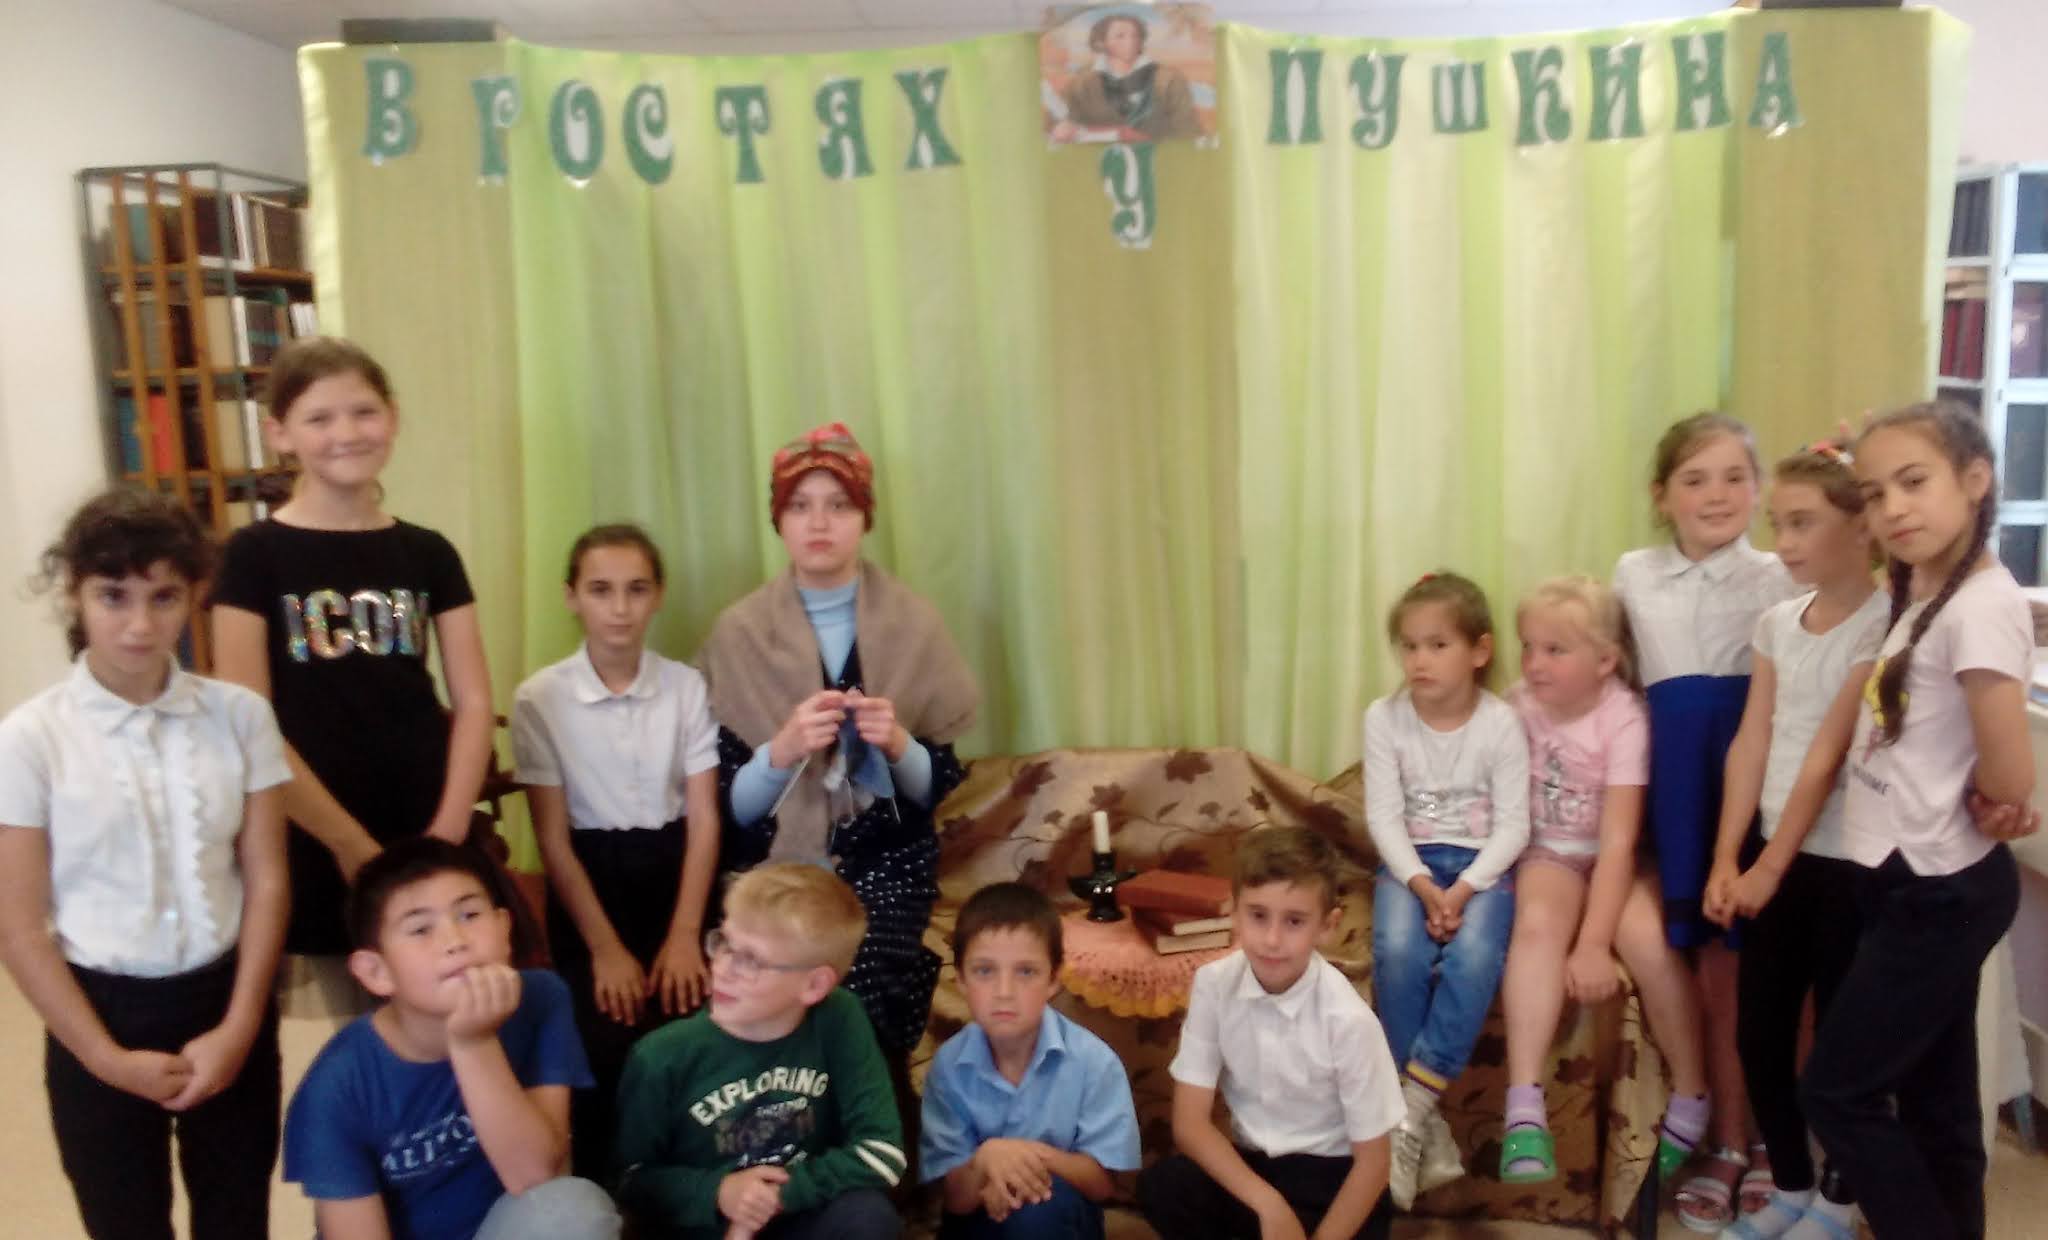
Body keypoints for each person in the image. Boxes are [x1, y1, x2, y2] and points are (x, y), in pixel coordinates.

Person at [0, 488, 291, 1240]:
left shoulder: (241, 717)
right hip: (97, 1010)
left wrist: (240, 1025)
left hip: (227, 996)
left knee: (237, 1219)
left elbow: (267, 880)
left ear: (194, 595)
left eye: (163, 597)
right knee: (123, 1222)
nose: (139, 624)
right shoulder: (30, 738)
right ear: (74, 593)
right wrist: (104, 1058)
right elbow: (20, 927)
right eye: (113, 596)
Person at [1799, 403, 2039, 1240]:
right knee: (1937, 1100)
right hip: (1909, 875)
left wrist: (1994, 795)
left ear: (1974, 481)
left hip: (1940, 888)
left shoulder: (1979, 606)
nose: (1893, 508)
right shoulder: (1930, 588)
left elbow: (2012, 768)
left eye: (1913, 482)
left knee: (1838, 1091)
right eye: (1874, 493)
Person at [211, 336, 494, 1019]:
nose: (346, 433)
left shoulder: (428, 552)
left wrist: (448, 827)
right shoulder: (252, 557)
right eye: (320, 418)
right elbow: (248, 722)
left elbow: (474, 699)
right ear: (280, 433)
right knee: (365, 1030)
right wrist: (347, 843)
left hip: (426, 820)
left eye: (363, 412)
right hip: (315, 828)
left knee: (448, 1014)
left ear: (392, 417)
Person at [699, 422, 978, 1088]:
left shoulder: (914, 624)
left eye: (839, 505)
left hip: (886, 860)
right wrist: (782, 751)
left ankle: (872, 1130)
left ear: (865, 517)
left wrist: (899, 744)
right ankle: (778, 1129)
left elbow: (929, 791)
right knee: (768, 974)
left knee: (859, 980)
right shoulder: (739, 633)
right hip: (772, 865)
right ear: (779, 520)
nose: (819, 522)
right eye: (800, 506)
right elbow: (731, 809)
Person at [1698, 444, 1888, 1239]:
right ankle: (1792, 1184)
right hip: (1775, 857)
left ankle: (1841, 1205)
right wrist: (1728, 856)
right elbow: (1755, 740)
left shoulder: (1886, 624)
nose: (1784, 543)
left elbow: (1826, 757)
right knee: (1760, 1033)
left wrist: (1768, 868)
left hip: (1849, 865)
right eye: (1779, 524)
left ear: (1863, 527)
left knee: (1844, 1045)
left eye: (1804, 523)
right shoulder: (1778, 622)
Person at [1612, 413, 1796, 1229]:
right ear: (1662, 496)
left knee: (1779, 974)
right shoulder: (1633, 574)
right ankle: (1726, 1138)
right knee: (1717, 974)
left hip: (1761, 787)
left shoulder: (1781, 575)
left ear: (1759, 490)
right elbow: (1603, 672)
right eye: (1694, 480)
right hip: (1682, 795)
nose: (1716, 495)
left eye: (1734, 477)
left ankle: (1775, 1142)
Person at [511, 523, 721, 1177]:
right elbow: (552, 838)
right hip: (590, 887)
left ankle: (697, 1194)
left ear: (659, 595)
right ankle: (613, 1197)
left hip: (679, 879)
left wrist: (685, 934)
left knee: (694, 1038)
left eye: (636, 589)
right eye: (601, 590)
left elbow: (704, 819)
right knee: (604, 1047)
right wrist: (604, 949)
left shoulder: (686, 687)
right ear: (572, 597)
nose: (620, 608)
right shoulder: (540, 697)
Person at [281, 837, 620, 1240]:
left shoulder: (542, 999)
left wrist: (475, 1044)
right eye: (421, 929)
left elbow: (534, 1177)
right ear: (376, 972)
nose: (455, 941)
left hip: (503, 1227)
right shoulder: (336, 1085)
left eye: (469, 914)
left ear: (505, 928)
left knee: (573, 1209)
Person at [1496, 578, 1711, 1191]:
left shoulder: (1624, 718)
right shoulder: (1516, 706)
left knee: (1646, 941)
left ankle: (1693, 1092)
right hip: (1551, 853)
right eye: (1527, 646)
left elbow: (1618, 842)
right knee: (1537, 926)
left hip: (1617, 855)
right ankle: (1524, 1105)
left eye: (1555, 650)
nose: (1534, 663)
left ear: (1605, 660)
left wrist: (1593, 944)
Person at [612, 863, 906, 1240]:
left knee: (867, 1217)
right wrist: (719, 1192)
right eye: (723, 942)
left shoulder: (839, 1016)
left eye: (751, 960)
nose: (723, 968)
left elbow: (881, 1152)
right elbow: (630, 1181)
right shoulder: (660, 1055)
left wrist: (773, 1197)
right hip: (704, 1224)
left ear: (815, 986)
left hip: (798, 1210)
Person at [1137, 826, 1403, 1240]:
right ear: (1233, 911)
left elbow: (1374, 1165)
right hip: (1254, 1172)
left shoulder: (1349, 1020)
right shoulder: (1213, 985)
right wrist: (1267, 1204)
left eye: (1294, 921)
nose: (1272, 939)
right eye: (1258, 915)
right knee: (1164, 1186)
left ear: (1327, 926)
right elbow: (1189, 1125)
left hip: (1333, 1179)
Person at [1361, 572, 1528, 1207]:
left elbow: (1514, 826)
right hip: (1412, 864)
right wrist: (1424, 885)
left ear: (1479, 650)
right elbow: (1383, 817)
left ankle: (1410, 1109)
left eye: (1437, 645)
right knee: (1399, 952)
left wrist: (1463, 892)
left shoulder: (1501, 723)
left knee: (1475, 957)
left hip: (1483, 866)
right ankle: (1425, 1129)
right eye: (1409, 646)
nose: (1419, 660)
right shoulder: (1384, 718)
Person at [920, 882, 1141, 1238]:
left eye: (1025, 972)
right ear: (959, 979)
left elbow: (1102, 1186)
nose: (1004, 992)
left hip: (1059, 1213)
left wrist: (1023, 1156)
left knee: (1035, 1212)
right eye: (984, 971)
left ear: (1053, 979)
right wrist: (986, 1160)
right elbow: (956, 1201)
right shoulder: (948, 1066)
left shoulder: (1094, 1061)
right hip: (977, 1213)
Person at [1050, 11, 1200, 142]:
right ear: (1101, 42)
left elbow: (1187, 130)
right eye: (1120, 36)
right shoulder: (1082, 81)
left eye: (1136, 35)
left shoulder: (1168, 79)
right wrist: (1063, 130)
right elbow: (1059, 122)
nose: (1131, 41)